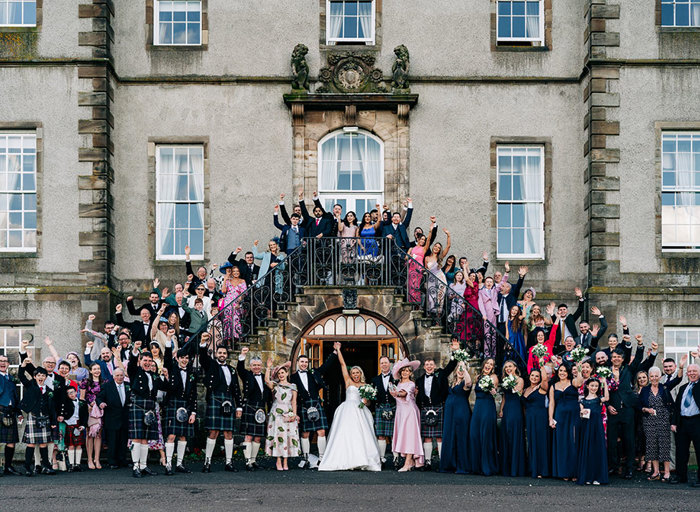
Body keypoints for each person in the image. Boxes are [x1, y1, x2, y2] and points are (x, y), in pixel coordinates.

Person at [318, 344, 382, 472]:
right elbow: (342, 364)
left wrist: (365, 401)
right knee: (346, 435)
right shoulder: (348, 382)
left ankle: (362, 459)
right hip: (347, 410)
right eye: (353, 373)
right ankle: (345, 459)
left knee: (362, 435)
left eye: (357, 372)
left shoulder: (366, 385)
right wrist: (338, 350)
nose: (355, 375)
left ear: (361, 373)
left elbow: (368, 403)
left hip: (361, 411)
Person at [607, 335, 657, 479]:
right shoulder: (605, 371)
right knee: (612, 441)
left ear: (622, 359)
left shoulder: (628, 370)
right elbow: (601, 390)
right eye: (614, 356)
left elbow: (637, 359)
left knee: (629, 441)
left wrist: (640, 343)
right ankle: (614, 467)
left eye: (619, 357)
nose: (616, 359)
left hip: (628, 410)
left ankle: (629, 468)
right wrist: (608, 405)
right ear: (611, 358)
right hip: (613, 410)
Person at [197, 341, 242, 473]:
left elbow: (236, 389)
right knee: (213, 432)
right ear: (216, 354)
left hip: (228, 401)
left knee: (228, 433)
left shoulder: (232, 369)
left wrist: (239, 406)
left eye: (224, 353)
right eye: (220, 353)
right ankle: (207, 462)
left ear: (227, 355)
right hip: (215, 400)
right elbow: (203, 358)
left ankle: (229, 462)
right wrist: (203, 344)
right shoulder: (211, 365)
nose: (222, 355)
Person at [415, 341, 458, 471]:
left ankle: (441, 461)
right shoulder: (419, 380)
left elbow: (451, 365)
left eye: (431, 365)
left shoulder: (441, 374)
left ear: (435, 366)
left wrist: (455, 352)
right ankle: (427, 462)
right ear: (424, 366)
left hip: (439, 407)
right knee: (427, 437)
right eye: (427, 365)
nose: (429, 367)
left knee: (439, 436)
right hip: (426, 408)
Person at [290, 350, 336, 468]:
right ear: (298, 363)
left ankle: (322, 458)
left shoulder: (313, 372)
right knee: (305, 433)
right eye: (302, 362)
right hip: (303, 405)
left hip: (315, 404)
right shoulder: (293, 377)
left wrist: (334, 353)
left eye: (306, 362)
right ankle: (305, 458)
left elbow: (325, 366)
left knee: (321, 431)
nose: (304, 364)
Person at [127, 349, 166, 478]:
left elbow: (166, 387)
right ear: (140, 361)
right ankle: (135, 466)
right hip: (138, 406)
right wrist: (134, 353)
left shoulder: (154, 376)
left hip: (149, 407)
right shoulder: (135, 371)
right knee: (137, 437)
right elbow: (131, 364)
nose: (148, 363)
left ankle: (143, 466)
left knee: (145, 438)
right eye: (145, 360)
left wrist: (165, 376)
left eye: (150, 361)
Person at [162, 339, 197, 476]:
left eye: (187, 358)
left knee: (183, 436)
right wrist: (168, 343)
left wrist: (193, 412)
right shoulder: (172, 368)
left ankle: (180, 464)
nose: (184, 360)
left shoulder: (192, 373)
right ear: (177, 358)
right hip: (173, 404)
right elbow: (166, 359)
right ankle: (168, 464)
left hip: (185, 406)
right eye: (182, 357)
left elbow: (193, 394)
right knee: (171, 436)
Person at [238, 347, 272, 471]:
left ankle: (253, 460)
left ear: (261, 366)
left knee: (258, 437)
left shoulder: (265, 377)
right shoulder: (247, 375)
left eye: (258, 365)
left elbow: (269, 392)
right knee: (248, 436)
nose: (256, 367)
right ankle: (247, 462)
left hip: (262, 408)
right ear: (251, 366)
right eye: (254, 365)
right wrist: (242, 355)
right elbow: (239, 369)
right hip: (250, 406)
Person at [264, 360, 301, 470]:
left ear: (286, 374)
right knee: (278, 436)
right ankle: (278, 461)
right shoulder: (275, 385)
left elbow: (294, 401)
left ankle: (286, 461)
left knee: (287, 436)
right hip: (277, 412)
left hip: (288, 411)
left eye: (282, 373)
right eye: (279, 373)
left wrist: (294, 414)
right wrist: (268, 367)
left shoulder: (293, 386)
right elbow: (266, 381)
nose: (281, 375)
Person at [639, 366, 674, 482]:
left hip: (663, 420)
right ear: (649, 377)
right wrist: (645, 409)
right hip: (649, 421)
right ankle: (656, 472)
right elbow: (639, 405)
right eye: (652, 376)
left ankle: (667, 472)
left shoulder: (664, 388)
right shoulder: (644, 390)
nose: (654, 378)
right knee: (651, 446)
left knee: (664, 446)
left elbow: (671, 405)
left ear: (660, 376)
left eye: (656, 376)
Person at [390, 358, 424, 472]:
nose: (405, 373)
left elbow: (404, 393)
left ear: (410, 373)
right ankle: (410, 461)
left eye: (407, 371)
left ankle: (407, 462)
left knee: (410, 436)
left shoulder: (411, 384)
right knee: (404, 436)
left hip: (409, 412)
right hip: (400, 412)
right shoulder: (398, 383)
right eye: (403, 371)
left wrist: (397, 394)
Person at [439, 361, 472, 474]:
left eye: (462, 369)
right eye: (459, 368)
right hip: (450, 413)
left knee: (460, 436)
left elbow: (469, 382)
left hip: (461, 412)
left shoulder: (465, 383)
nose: (460, 370)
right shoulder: (452, 382)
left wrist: (464, 368)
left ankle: (461, 465)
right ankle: (449, 464)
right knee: (450, 435)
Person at [670, 363, 700, 487]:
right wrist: (674, 423)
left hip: (697, 422)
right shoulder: (683, 388)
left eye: (694, 371)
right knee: (681, 451)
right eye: (689, 371)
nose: (692, 373)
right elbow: (677, 407)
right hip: (682, 422)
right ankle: (680, 476)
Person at [468, 358, 499, 476]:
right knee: (474, 434)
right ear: (484, 364)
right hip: (478, 407)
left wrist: (493, 391)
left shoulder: (494, 377)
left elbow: (495, 392)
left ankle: (487, 466)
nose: (488, 365)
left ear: (493, 367)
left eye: (491, 364)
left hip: (487, 407)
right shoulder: (478, 377)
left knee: (485, 434)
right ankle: (476, 466)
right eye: (487, 363)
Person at [576, 377, 610, 485]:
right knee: (588, 450)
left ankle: (598, 477)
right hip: (587, 427)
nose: (594, 388)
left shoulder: (599, 399)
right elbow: (581, 415)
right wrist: (583, 412)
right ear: (587, 386)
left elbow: (607, 398)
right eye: (592, 386)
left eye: (596, 386)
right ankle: (588, 476)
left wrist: (605, 383)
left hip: (597, 427)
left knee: (597, 450)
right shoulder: (582, 401)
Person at [96, 368, 130, 469]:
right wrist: (101, 403)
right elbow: (99, 398)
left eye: (121, 375)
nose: (120, 377)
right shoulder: (107, 386)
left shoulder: (128, 386)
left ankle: (122, 460)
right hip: (112, 417)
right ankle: (112, 461)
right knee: (112, 441)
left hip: (124, 417)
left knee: (123, 440)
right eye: (117, 375)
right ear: (113, 376)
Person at [549, 364, 578, 481]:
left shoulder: (573, 382)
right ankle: (564, 472)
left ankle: (575, 472)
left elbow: (580, 381)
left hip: (574, 415)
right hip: (560, 416)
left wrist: (579, 366)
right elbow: (551, 403)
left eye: (565, 371)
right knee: (562, 443)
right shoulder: (553, 386)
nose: (562, 373)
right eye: (560, 370)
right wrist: (550, 418)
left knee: (573, 441)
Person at [523, 362, 550, 479]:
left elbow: (545, 379)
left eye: (536, 376)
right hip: (529, 418)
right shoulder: (525, 389)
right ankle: (533, 468)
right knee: (532, 442)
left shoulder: (542, 388)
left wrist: (541, 364)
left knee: (540, 442)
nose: (534, 378)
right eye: (532, 375)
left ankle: (541, 469)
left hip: (540, 418)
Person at [499, 360, 526, 477]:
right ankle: (506, 467)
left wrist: (511, 381)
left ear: (515, 367)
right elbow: (505, 396)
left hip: (515, 408)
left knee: (514, 434)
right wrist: (501, 409)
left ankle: (516, 467)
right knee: (506, 435)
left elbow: (518, 391)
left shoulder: (520, 379)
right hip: (507, 408)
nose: (508, 369)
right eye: (506, 367)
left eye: (510, 366)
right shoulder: (505, 380)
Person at [371, 356, 398, 469]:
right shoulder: (375, 380)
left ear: (389, 364)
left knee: (394, 435)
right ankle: (382, 458)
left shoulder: (396, 378)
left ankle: (396, 458)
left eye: (386, 363)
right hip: (380, 408)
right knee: (381, 435)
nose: (384, 365)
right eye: (382, 363)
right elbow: (373, 397)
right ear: (380, 365)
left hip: (393, 407)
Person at [57, 386, 88, 472]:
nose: (72, 394)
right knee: (70, 445)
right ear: (67, 395)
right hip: (69, 424)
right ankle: (71, 465)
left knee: (78, 445)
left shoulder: (82, 403)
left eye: (73, 392)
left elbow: (85, 416)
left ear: (76, 392)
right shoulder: (66, 403)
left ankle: (77, 464)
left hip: (79, 425)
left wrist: (83, 426)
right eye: (69, 393)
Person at [79, 362, 104, 469]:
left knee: (98, 434)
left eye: (98, 369)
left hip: (100, 411)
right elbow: (82, 398)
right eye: (94, 369)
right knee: (89, 434)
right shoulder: (86, 382)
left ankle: (97, 459)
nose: (97, 371)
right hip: (89, 410)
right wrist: (88, 405)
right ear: (90, 371)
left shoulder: (104, 382)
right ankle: (89, 459)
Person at [424, 229, 451, 316]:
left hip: (439, 278)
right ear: (433, 247)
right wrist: (430, 231)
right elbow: (425, 269)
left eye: (439, 248)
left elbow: (448, 246)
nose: (436, 248)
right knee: (431, 297)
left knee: (439, 298)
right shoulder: (427, 258)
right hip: (431, 279)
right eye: (436, 246)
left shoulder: (440, 257)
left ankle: (437, 316)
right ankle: (430, 314)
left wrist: (448, 235)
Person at [407, 220, 435, 303]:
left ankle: (416, 303)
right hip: (411, 267)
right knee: (410, 286)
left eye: (424, 239)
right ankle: (410, 302)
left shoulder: (424, 249)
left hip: (418, 268)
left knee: (416, 285)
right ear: (418, 239)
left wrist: (430, 230)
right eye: (421, 239)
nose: (423, 240)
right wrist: (409, 256)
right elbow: (406, 257)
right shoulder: (411, 248)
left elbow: (429, 240)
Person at [549, 288, 584, 354]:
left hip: (571, 345)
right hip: (559, 346)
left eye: (564, 309)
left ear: (567, 311)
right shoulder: (556, 320)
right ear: (558, 311)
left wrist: (580, 297)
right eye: (560, 310)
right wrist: (551, 313)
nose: (562, 311)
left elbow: (580, 310)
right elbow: (553, 318)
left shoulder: (571, 318)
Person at [220, 263, 247, 346]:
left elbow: (244, 293)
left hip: (237, 303)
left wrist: (239, 301)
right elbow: (223, 291)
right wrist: (225, 279)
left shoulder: (242, 281)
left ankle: (236, 339)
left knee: (236, 319)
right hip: (228, 302)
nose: (235, 273)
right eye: (234, 271)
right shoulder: (228, 281)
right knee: (227, 321)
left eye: (237, 271)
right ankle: (228, 341)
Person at [478, 276, 501, 360]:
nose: (489, 283)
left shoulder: (494, 290)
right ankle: (487, 354)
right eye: (487, 281)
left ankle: (493, 354)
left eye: (491, 282)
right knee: (487, 334)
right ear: (484, 283)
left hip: (494, 314)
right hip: (486, 314)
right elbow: (480, 303)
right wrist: (483, 314)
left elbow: (502, 283)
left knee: (493, 334)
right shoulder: (481, 292)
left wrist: (506, 272)